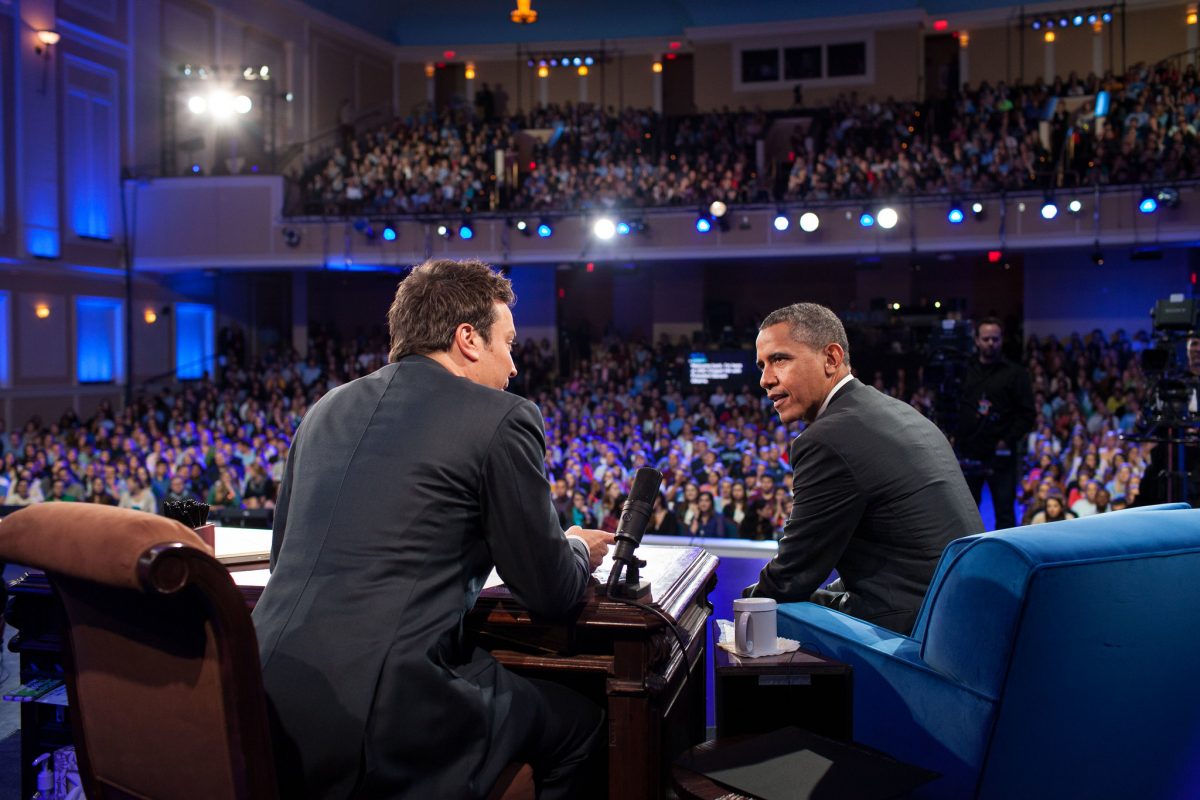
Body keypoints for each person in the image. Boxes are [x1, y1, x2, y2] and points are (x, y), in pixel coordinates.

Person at [252, 259, 613, 799]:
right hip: (388, 709)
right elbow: (551, 590)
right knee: (585, 724)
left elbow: (284, 560)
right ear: (468, 339)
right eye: (508, 344)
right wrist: (577, 547)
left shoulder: (325, 409)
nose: (513, 366)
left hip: (262, 692)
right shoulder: (501, 417)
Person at [744, 302, 984, 634]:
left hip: (913, 633)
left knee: (758, 623)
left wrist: (744, 608)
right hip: (954, 615)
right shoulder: (898, 412)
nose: (765, 380)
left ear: (831, 358)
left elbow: (792, 576)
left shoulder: (827, 438)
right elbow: (895, 558)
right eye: (761, 365)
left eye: (779, 359)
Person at [956, 317, 1036, 530]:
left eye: (995, 339)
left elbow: (1028, 414)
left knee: (1005, 512)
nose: (991, 343)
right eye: (986, 339)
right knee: (964, 513)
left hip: (1000, 455)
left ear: (1002, 340)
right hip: (968, 452)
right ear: (977, 340)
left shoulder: (1016, 373)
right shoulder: (964, 370)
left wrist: (1006, 440)